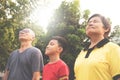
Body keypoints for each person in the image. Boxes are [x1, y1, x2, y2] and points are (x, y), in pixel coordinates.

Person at [74, 14, 120, 80]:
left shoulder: (113, 48)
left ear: (106, 28)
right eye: (89, 23)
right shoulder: (82, 52)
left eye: (95, 21)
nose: (90, 24)